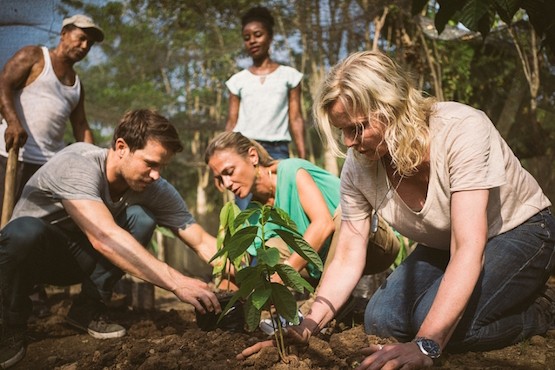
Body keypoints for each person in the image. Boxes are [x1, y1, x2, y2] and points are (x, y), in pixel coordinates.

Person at [237, 50, 555, 369]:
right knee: (382, 320)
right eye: (342, 131)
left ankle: (542, 309)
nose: (349, 142)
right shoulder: (358, 167)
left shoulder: (462, 128)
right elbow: (348, 254)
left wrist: (427, 344)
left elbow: (469, 245)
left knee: (448, 329)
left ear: (392, 108)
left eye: (358, 128)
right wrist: (308, 325)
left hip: (520, 230)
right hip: (443, 244)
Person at [0, 109, 221, 369]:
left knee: (142, 217)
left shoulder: (153, 186)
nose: (156, 174)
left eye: (162, 166)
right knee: (23, 232)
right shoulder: (77, 164)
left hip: (83, 261)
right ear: (121, 147)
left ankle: (87, 309)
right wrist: (177, 282)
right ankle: (10, 325)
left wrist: (246, 271)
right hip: (33, 259)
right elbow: (103, 236)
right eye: (150, 163)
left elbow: (199, 238)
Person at [205, 131, 400, 288]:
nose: (227, 183)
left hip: (374, 242)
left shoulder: (291, 170)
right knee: (270, 248)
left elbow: (323, 225)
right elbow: (244, 265)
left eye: (229, 172)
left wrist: (287, 271)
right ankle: (337, 299)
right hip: (325, 265)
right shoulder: (254, 214)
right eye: (220, 179)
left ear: (253, 156)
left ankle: (320, 305)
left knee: (342, 216)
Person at [0, 14, 102, 213]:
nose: (84, 46)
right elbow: (3, 84)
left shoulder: (76, 84)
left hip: (45, 167)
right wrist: (13, 121)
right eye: (81, 38)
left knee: (26, 225)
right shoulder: (35, 56)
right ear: (64, 34)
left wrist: (96, 160)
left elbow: (80, 125)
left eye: (89, 44)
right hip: (11, 155)